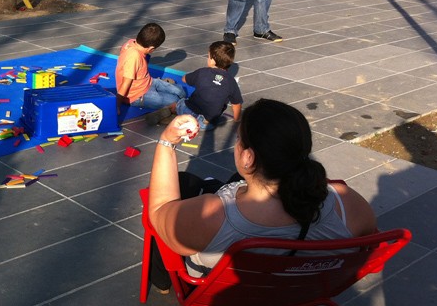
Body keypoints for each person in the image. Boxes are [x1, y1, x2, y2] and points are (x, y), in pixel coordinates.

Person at [146, 99, 378, 292]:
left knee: (185, 183)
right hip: (292, 292)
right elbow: (371, 253)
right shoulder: (347, 202)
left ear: (248, 157)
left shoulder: (210, 216)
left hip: (220, 292)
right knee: (230, 181)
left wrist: (167, 142)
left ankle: (162, 282)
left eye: (238, 139)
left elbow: (159, 212)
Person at [115, 23, 186, 125]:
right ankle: (166, 113)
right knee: (176, 101)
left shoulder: (131, 42)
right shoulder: (134, 57)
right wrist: (117, 104)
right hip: (138, 95)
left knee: (180, 91)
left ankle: (173, 106)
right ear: (151, 48)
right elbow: (126, 83)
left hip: (148, 81)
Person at [175, 41, 243, 131]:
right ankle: (192, 125)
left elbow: (184, 79)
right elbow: (236, 104)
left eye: (208, 56)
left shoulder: (202, 72)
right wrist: (237, 119)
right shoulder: (231, 82)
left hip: (187, 110)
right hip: (205, 123)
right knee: (211, 120)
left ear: (213, 60)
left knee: (180, 102)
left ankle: (173, 112)